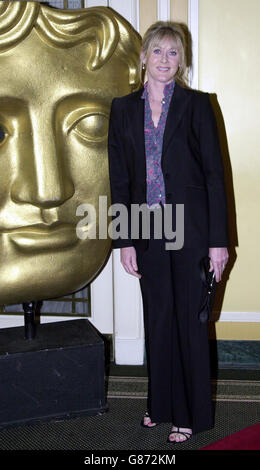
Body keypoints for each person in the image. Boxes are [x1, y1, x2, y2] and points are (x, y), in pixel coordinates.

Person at [108, 21, 229, 443]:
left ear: (182, 61)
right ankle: (159, 404)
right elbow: (119, 180)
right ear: (143, 57)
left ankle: (188, 413)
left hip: (192, 227)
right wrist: (124, 239)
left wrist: (219, 241)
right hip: (146, 228)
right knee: (157, 318)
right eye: (157, 51)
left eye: (173, 53)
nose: (164, 60)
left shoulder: (197, 105)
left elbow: (215, 175)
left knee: (189, 322)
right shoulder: (122, 109)